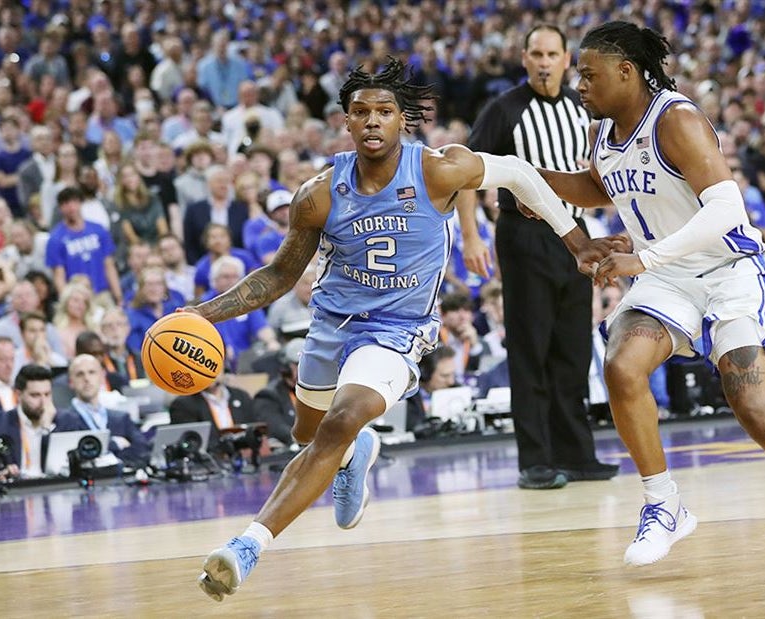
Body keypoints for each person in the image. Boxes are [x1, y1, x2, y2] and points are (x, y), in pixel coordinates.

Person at [190, 57, 612, 600]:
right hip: (331, 324)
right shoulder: (317, 194)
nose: (372, 120)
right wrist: (200, 314)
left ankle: (246, 546)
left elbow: (522, 174)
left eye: (383, 111)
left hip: (397, 327)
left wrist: (576, 241)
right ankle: (356, 450)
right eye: (360, 111)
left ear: (401, 120)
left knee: (339, 420)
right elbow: (277, 276)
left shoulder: (439, 169)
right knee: (308, 435)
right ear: (345, 121)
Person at [533, 22, 765, 570]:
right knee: (623, 366)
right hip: (668, 281)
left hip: (727, 272)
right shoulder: (606, 133)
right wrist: (536, 181)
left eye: (589, 75)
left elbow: (726, 212)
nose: (580, 85)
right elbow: (602, 186)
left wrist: (642, 258)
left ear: (627, 72)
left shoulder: (678, 119)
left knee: (754, 405)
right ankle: (663, 504)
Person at [458, 24, 618, 490]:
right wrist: (471, 236)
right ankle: (536, 460)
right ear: (524, 58)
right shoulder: (503, 109)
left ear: (567, 59)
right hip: (524, 235)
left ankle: (577, 454)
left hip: (576, 234)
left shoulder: (580, 107)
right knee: (530, 349)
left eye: (553, 53)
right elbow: (468, 171)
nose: (545, 62)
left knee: (572, 348)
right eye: (536, 54)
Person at [53, 354, 150, 464]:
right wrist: (114, 444)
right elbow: (70, 456)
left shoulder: (122, 418)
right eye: (80, 374)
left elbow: (142, 450)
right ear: (71, 382)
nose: (86, 379)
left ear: (102, 377)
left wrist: (114, 461)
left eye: (92, 372)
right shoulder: (64, 420)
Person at [0, 364, 57, 479]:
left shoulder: (67, 422)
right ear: (18, 395)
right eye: (35, 395)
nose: (43, 402)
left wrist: (47, 429)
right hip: (15, 491)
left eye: (47, 394)